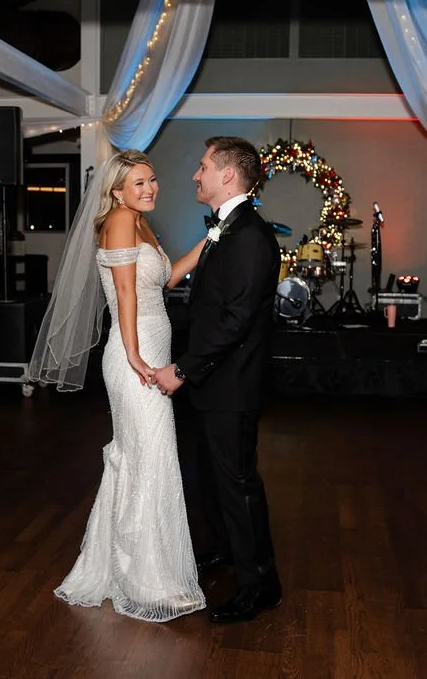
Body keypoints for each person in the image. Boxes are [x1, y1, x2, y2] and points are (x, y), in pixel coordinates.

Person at [28, 149, 208, 622]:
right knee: (150, 456)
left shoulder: (140, 222)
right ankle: (145, 578)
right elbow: (125, 292)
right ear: (116, 191)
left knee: (147, 457)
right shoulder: (119, 222)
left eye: (152, 180)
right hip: (135, 357)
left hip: (149, 348)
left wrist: (206, 245)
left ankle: (138, 567)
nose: (150, 189)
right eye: (139, 184)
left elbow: (162, 279)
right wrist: (132, 353)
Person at [151, 136, 282, 624]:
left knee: (238, 485)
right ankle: (228, 552)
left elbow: (236, 320)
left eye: (203, 166)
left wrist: (181, 369)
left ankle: (261, 586)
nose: (195, 174)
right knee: (211, 480)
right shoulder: (228, 230)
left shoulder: (249, 235)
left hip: (231, 387)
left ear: (227, 174)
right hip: (213, 384)